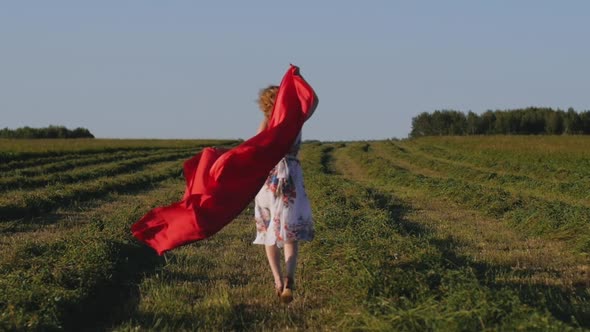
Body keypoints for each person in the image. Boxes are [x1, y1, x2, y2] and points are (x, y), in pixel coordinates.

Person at [253, 84, 318, 304]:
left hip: (268, 178)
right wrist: (298, 79)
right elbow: (314, 101)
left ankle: (278, 280)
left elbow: (253, 148)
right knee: (289, 232)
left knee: (267, 229)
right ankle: (290, 276)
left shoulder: (267, 123)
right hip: (291, 176)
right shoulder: (296, 119)